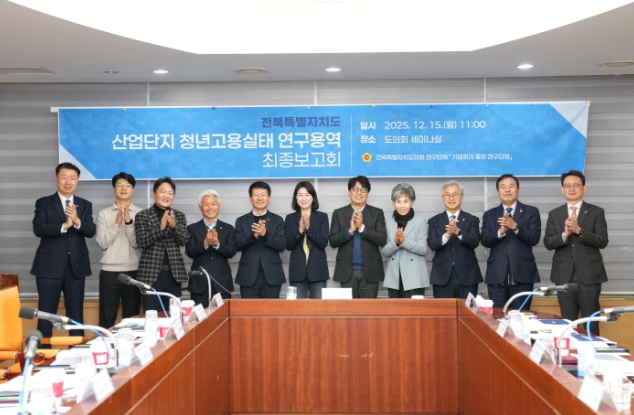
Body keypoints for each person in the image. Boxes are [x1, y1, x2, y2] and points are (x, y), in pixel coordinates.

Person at [31, 162, 96, 337]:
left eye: (72, 178)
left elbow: (91, 231)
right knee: (46, 314)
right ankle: (43, 352)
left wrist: (77, 221)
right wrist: (64, 226)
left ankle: (77, 351)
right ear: (57, 179)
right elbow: (38, 228)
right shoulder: (44, 203)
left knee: (76, 315)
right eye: (64, 177)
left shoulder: (85, 204)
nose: (68, 182)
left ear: (77, 181)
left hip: (76, 267)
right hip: (48, 267)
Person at [544, 170, 608, 335]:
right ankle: (569, 351)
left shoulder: (596, 212)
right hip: (563, 274)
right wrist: (564, 234)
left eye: (576, 185)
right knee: (567, 322)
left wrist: (579, 230)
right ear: (562, 189)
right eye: (567, 186)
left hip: (589, 274)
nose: (571, 189)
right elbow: (548, 243)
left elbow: (602, 241)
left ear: (584, 188)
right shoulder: (555, 214)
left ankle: (592, 349)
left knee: (590, 321)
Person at [481, 174, 541, 310]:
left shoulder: (531, 211)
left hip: (523, 274)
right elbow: (484, 240)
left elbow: (534, 238)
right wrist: (500, 232)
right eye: (503, 187)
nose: (507, 190)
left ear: (518, 189)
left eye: (511, 186)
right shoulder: (489, 214)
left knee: (521, 316)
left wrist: (515, 227)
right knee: (497, 317)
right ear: (498, 192)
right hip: (497, 275)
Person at [135, 177, 189, 312]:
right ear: (154, 194)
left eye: (170, 193)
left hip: (174, 274)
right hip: (151, 275)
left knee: (173, 314)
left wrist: (174, 226)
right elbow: (141, 242)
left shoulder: (179, 216)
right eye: (162, 192)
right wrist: (160, 228)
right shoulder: (143, 215)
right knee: (152, 314)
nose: (166, 196)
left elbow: (184, 240)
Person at [95, 172, 142, 328]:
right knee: (106, 319)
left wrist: (128, 223)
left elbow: (138, 243)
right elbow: (102, 243)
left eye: (128, 185)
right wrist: (116, 224)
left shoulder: (141, 214)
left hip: (133, 272)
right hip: (109, 273)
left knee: (132, 319)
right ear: (113, 189)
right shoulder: (104, 214)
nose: (123, 188)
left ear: (133, 190)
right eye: (119, 185)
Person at [329, 175, 387, 298]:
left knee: (369, 309)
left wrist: (362, 228)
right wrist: (349, 231)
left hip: (370, 271)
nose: (359, 193)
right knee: (349, 309)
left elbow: (382, 239)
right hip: (346, 272)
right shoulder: (339, 213)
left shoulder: (377, 213)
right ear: (349, 191)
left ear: (368, 193)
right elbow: (333, 241)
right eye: (355, 189)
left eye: (363, 189)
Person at [428, 180, 483, 299]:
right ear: (443, 198)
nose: (451, 198)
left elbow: (475, 241)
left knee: (467, 309)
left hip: (467, 275)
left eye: (455, 194)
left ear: (462, 197)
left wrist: (458, 232)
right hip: (442, 275)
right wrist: (447, 235)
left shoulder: (472, 219)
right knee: (443, 310)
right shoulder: (434, 221)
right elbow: (432, 244)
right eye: (447, 195)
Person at [235, 181, 286, 298]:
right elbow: (237, 245)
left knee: (271, 309)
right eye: (256, 195)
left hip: (272, 275)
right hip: (248, 275)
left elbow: (281, 245)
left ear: (269, 198)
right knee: (248, 309)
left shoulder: (278, 220)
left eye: (263, 195)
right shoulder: (241, 221)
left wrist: (265, 234)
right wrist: (254, 236)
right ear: (250, 199)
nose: (260, 198)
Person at [186, 189, 236, 307]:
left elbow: (232, 252)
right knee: (199, 317)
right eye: (206, 204)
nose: (210, 208)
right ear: (200, 207)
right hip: (199, 283)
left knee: (222, 317)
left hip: (222, 283)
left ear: (219, 206)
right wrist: (205, 243)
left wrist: (217, 244)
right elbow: (189, 252)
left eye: (213, 204)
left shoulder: (228, 228)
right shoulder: (192, 228)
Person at [381, 183, 428, 298]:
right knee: (394, 309)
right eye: (398, 202)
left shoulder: (421, 222)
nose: (402, 206)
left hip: (415, 278)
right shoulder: (388, 224)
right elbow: (385, 251)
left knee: (414, 310)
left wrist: (404, 241)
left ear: (412, 202)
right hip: (394, 278)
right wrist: (396, 243)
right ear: (394, 203)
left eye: (406, 201)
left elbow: (423, 249)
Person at [284, 181, 329, 298]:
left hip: (318, 271)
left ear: (313, 197)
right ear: (296, 197)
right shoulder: (290, 218)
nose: (303, 198)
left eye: (307, 195)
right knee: (297, 307)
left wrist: (308, 228)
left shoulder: (322, 217)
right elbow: (288, 245)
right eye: (300, 195)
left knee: (319, 307)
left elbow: (323, 243)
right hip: (297, 272)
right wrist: (300, 230)